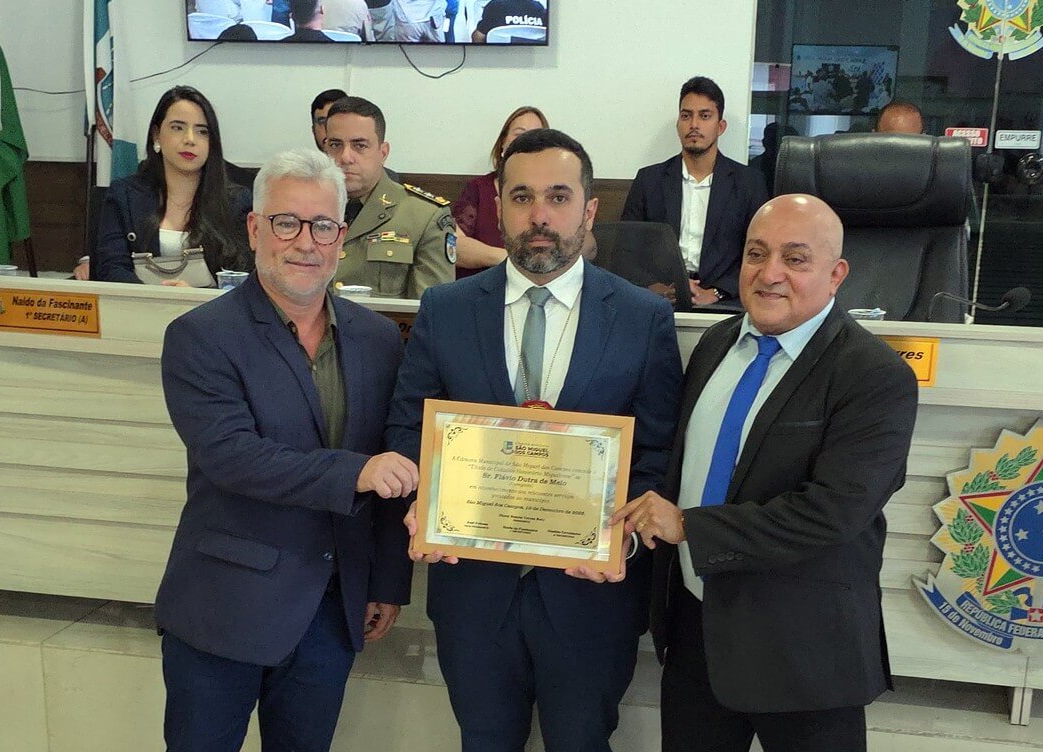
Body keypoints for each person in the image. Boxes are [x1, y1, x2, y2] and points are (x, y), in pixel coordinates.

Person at [386, 128, 682, 751]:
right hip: (473, 595)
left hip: (589, 600)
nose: (539, 215)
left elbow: (657, 453)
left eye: (558, 196)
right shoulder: (446, 308)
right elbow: (410, 428)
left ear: (589, 209)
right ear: (499, 206)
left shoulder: (643, 317)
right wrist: (421, 504)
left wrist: (624, 536)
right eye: (521, 197)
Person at [611, 194, 919, 752]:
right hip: (698, 634)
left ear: (836, 274)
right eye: (756, 253)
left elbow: (833, 512)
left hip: (804, 652)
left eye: (795, 259)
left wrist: (690, 527)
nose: (769, 273)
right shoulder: (716, 344)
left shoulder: (874, 375)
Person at [156, 148, 417, 751]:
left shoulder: (379, 339)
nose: (305, 242)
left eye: (322, 225)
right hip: (223, 610)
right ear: (255, 229)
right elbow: (233, 457)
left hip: (330, 613)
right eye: (286, 222)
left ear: (341, 237)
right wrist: (358, 473)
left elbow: (395, 459)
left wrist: (386, 580)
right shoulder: (200, 337)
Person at [622, 76, 769, 306]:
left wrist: (717, 293)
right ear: (678, 124)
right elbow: (627, 250)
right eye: (686, 115)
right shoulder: (649, 180)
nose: (694, 125)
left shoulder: (749, 184)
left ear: (721, 126)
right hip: (659, 299)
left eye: (705, 116)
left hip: (723, 301)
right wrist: (657, 288)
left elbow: (759, 253)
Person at [89, 86, 251, 284]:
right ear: (156, 135)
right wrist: (160, 296)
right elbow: (111, 268)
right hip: (139, 302)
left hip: (210, 304)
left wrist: (193, 296)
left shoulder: (237, 202)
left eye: (202, 131)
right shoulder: (124, 195)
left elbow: (243, 277)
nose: (190, 140)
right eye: (178, 128)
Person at [322, 96, 455, 297]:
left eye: (359, 146)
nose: (345, 157)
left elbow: (432, 308)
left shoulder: (424, 216)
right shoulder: (306, 208)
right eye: (335, 145)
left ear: (383, 153)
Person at [452, 105, 548, 278]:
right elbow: (453, 245)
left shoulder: (556, 191)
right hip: (482, 286)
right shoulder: (479, 188)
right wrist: (510, 260)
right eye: (519, 134)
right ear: (503, 143)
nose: (527, 141)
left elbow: (587, 247)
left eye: (536, 135)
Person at [471, 0, 547, 43]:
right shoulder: (539, 7)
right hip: (531, 58)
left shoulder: (495, 6)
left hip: (495, 58)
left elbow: (478, 37)